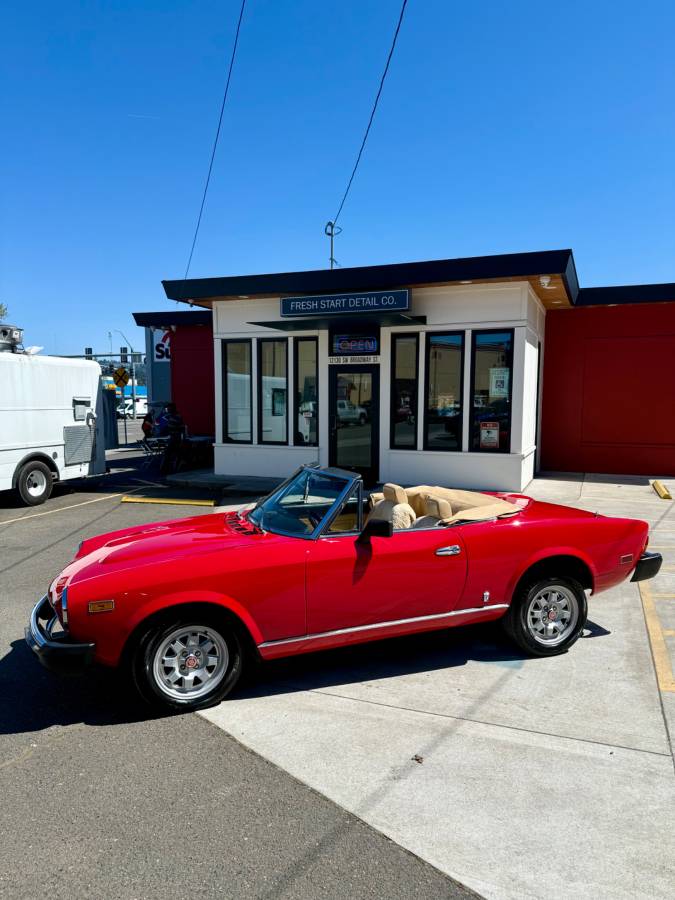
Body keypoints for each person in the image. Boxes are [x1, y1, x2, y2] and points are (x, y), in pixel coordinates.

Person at [160, 403, 185, 475]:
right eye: (167, 409)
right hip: (174, 437)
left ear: (173, 409)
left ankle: (166, 469)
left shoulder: (176, 416)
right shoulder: (172, 416)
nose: (168, 410)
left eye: (169, 409)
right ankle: (169, 469)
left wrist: (166, 429)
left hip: (176, 438)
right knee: (170, 454)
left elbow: (178, 427)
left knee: (168, 453)